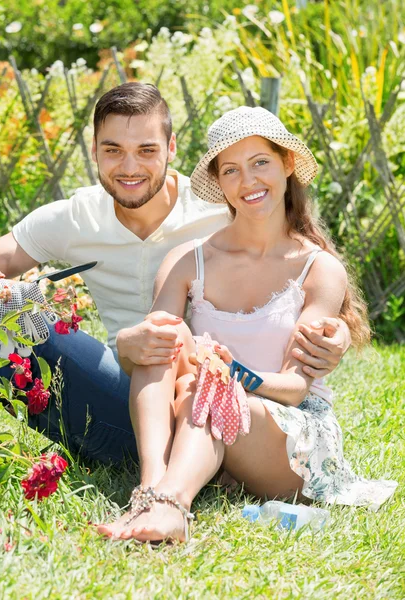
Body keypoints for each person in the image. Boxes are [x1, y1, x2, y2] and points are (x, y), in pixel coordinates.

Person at [0, 83, 351, 464]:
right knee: (1, 314)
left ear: (171, 148)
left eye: (146, 150)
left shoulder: (226, 204)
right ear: (93, 151)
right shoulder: (76, 217)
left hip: (212, 399)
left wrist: (339, 332)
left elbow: (299, 265)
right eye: (113, 150)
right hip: (122, 392)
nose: (129, 167)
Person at [97, 107, 397, 542]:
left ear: (287, 165)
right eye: (232, 170)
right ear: (219, 182)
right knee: (164, 333)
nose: (248, 181)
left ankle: (172, 507)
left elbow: (296, 389)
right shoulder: (188, 261)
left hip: (290, 437)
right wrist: (141, 342)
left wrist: (232, 372)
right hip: (208, 411)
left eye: (261, 163)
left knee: (213, 384)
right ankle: (150, 489)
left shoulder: (318, 268)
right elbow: (152, 361)